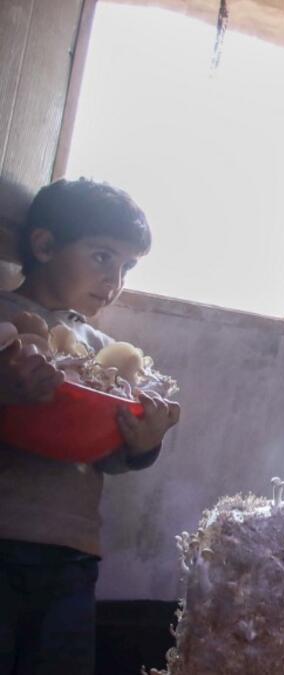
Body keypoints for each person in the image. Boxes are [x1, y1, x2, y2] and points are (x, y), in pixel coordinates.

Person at [0, 178, 181, 675]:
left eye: (126, 267)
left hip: (71, 553)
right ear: (44, 245)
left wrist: (142, 445)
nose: (114, 279)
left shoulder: (106, 349)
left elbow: (104, 446)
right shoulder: (5, 315)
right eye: (102, 257)